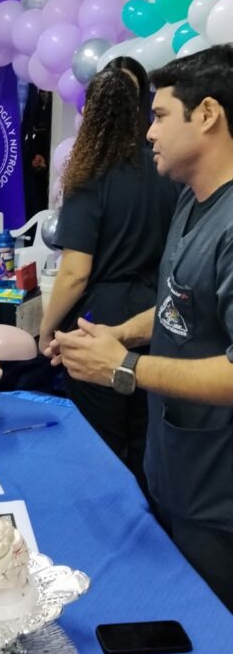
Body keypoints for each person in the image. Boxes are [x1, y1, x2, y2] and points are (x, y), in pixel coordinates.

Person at [50, 45, 233, 611]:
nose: (148, 132)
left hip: (217, 496)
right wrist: (122, 335)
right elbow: (178, 307)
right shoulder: (191, 203)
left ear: (207, 115)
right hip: (175, 473)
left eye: (159, 116)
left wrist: (126, 367)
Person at [38, 70, 178, 488]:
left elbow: (75, 273)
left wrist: (46, 329)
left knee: (97, 445)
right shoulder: (166, 170)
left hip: (99, 318)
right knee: (142, 440)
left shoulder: (90, 174)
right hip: (156, 314)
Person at [104, 54, 152, 137]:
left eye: (131, 86)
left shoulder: (152, 130)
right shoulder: (94, 127)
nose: (123, 93)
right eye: (117, 85)